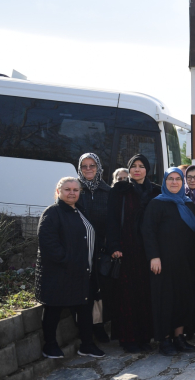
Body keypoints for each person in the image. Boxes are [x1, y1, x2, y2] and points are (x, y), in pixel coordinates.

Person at [36, 177, 105, 359]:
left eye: (75, 190)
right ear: (58, 191)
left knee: (84, 309)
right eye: (67, 189)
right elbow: (48, 243)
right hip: (61, 272)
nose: (72, 193)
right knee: (54, 308)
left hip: (83, 272)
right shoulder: (52, 212)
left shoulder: (80, 211)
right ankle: (50, 346)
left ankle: (87, 345)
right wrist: (68, 261)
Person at [142, 168, 195, 356]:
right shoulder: (156, 204)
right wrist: (154, 256)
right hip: (163, 263)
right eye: (170, 179)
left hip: (186, 262)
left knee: (183, 299)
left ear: (183, 182)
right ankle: (165, 339)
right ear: (164, 182)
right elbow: (148, 231)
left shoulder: (188, 204)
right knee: (165, 300)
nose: (174, 182)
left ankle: (179, 337)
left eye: (178, 179)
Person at [107, 154, 160, 353]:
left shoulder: (156, 191)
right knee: (127, 294)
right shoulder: (120, 190)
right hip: (126, 249)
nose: (137, 169)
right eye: (134, 166)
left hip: (148, 249)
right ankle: (128, 338)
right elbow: (112, 220)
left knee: (146, 293)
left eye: (141, 166)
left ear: (147, 169)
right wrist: (114, 246)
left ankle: (145, 337)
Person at [75, 153, 111, 344]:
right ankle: (83, 328)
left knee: (99, 289)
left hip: (101, 249)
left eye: (92, 165)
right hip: (80, 249)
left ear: (98, 167)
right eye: (84, 166)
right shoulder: (75, 189)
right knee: (83, 289)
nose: (88, 169)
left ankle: (99, 326)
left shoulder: (107, 191)